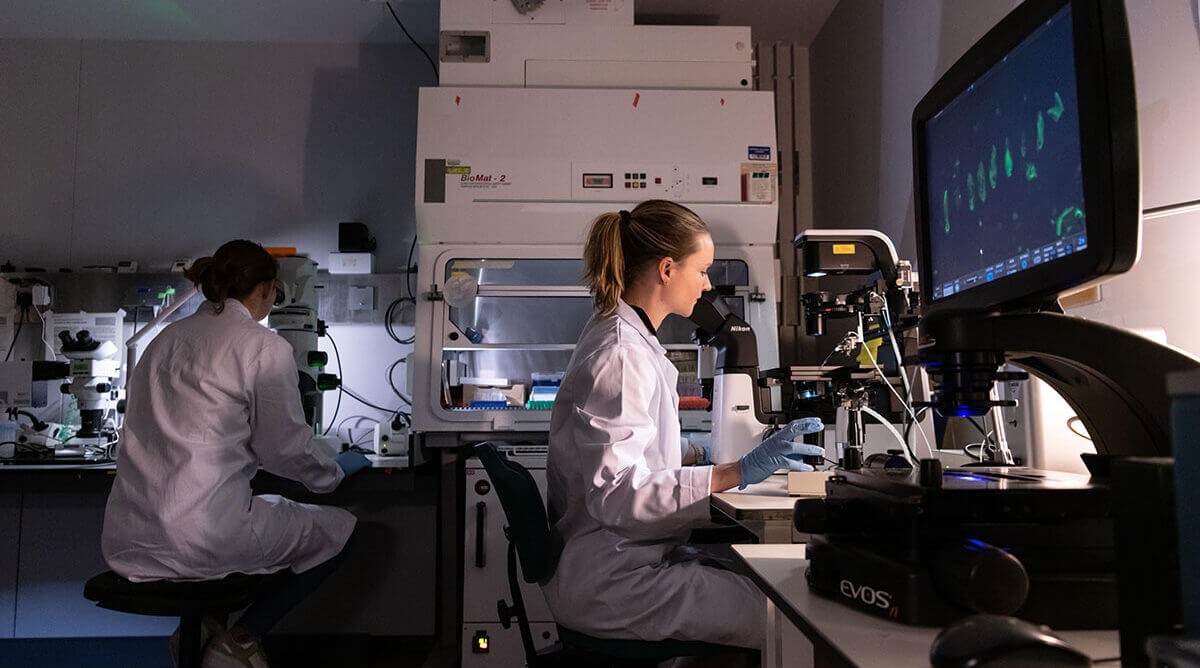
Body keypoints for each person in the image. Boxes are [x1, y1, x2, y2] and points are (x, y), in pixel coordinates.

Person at [544, 200, 824, 652]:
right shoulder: (622, 353)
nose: (708, 283)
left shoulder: (629, 339)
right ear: (668, 269)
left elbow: (636, 448)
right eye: (703, 269)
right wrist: (733, 473)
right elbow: (615, 493)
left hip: (625, 558)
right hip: (616, 580)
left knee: (761, 580)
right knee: (792, 616)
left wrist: (699, 455)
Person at [101, 240, 371, 668]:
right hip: (205, 538)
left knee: (253, 511)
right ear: (266, 289)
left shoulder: (164, 339)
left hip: (129, 537)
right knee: (339, 530)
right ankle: (241, 640)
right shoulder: (263, 346)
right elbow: (285, 451)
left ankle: (205, 625)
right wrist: (334, 473)